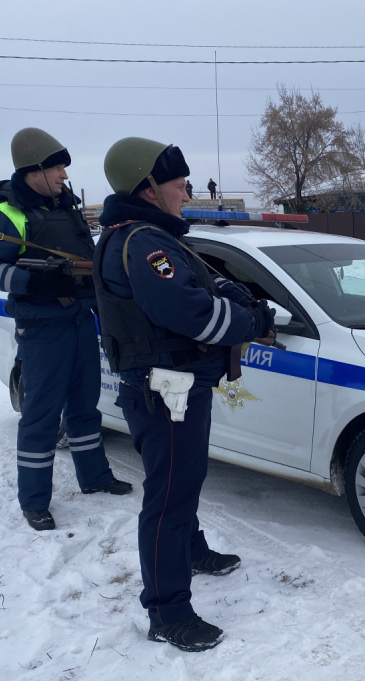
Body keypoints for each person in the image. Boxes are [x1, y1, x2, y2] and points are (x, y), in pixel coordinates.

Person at [93, 138, 276, 652]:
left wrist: (230, 291)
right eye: (177, 183)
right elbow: (190, 314)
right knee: (169, 498)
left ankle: (191, 551)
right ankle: (168, 611)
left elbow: (195, 293)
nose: (186, 191)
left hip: (175, 385)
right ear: (147, 189)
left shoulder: (150, 236)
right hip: (165, 388)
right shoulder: (146, 244)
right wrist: (250, 320)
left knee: (182, 482)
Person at [0, 128, 132, 532]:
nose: (63, 174)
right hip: (42, 329)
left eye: (63, 167)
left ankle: (94, 477)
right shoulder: (6, 213)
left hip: (79, 321)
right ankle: (34, 500)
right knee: (41, 416)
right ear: (34, 170)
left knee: (84, 407)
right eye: (57, 166)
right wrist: (34, 283)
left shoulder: (66, 206)